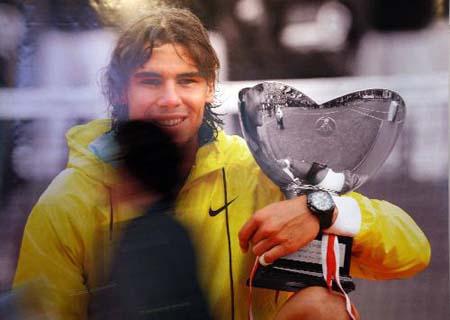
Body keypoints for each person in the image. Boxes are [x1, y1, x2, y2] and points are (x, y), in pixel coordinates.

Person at [13, 7, 430, 320]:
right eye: (150, 81)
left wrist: (326, 210)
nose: (170, 99)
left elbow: (412, 251)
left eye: (187, 80)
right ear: (120, 90)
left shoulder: (261, 172)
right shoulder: (69, 199)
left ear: (211, 85)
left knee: (322, 305)